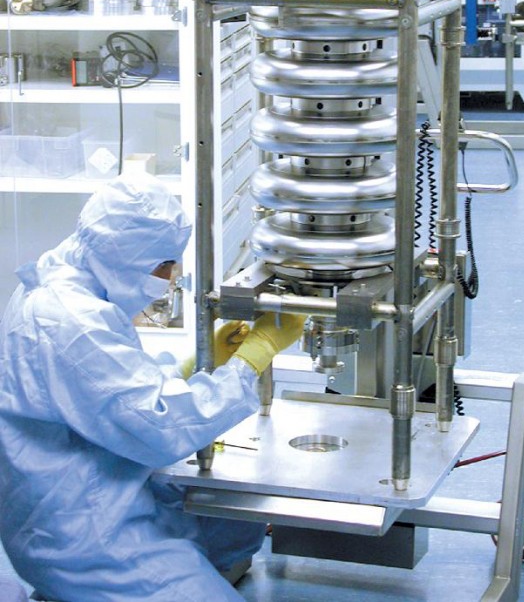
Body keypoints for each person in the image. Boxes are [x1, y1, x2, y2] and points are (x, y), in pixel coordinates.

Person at [0, 175, 305, 602]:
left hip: (105, 480)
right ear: (125, 256)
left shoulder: (75, 283)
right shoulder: (70, 320)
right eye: (162, 264)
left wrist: (189, 367)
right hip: (85, 534)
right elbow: (160, 428)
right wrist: (250, 359)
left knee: (236, 518)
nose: (169, 276)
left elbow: (116, 389)